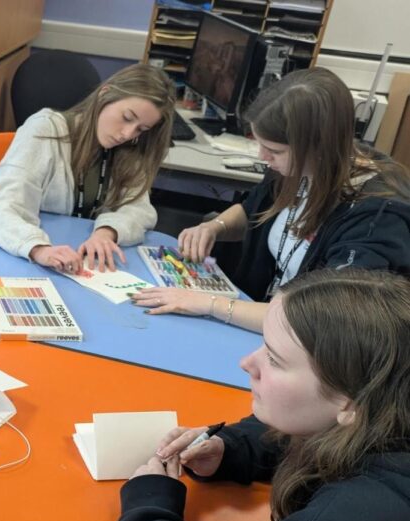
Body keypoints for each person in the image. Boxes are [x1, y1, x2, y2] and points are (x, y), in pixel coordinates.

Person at [116, 268, 410, 521]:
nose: (246, 363)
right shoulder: (389, 412)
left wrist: (149, 512)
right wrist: (230, 448)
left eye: (275, 358)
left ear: (350, 402)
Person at [131, 68, 410, 332]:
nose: (263, 157)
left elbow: (326, 314)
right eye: (261, 145)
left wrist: (210, 304)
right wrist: (214, 227)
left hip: (306, 339)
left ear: (319, 147)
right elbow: (253, 211)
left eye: (274, 150)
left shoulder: (378, 217)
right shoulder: (295, 167)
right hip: (258, 316)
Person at [0, 63, 175, 272]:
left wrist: (106, 232)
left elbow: (138, 209)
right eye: (127, 118)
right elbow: (1, 208)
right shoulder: (44, 130)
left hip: (84, 265)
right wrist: (38, 249)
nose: (127, 134)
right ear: (104, 95)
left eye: (141, 129)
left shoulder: (131, 148)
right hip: (28, 259)